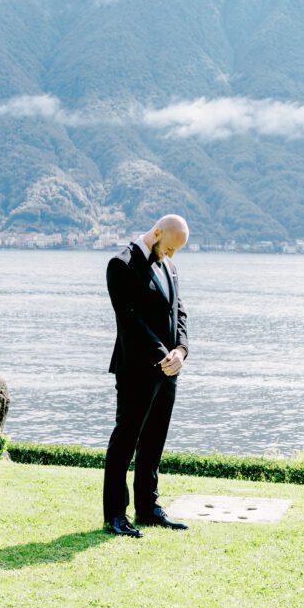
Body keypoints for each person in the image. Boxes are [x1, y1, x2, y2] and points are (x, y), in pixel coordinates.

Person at [103, 215, 190, 538]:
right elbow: (129, 319)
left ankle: (148, 507)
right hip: (136, 369)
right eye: (169, 248)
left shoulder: (170, 266)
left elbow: (179, 312)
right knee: (125, 441)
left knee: (154, 441)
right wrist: (161, 354)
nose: (172, 256)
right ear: (156, 233)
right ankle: (115, 514)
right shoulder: (121, 264)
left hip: (170, 369)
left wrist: (180, 350)